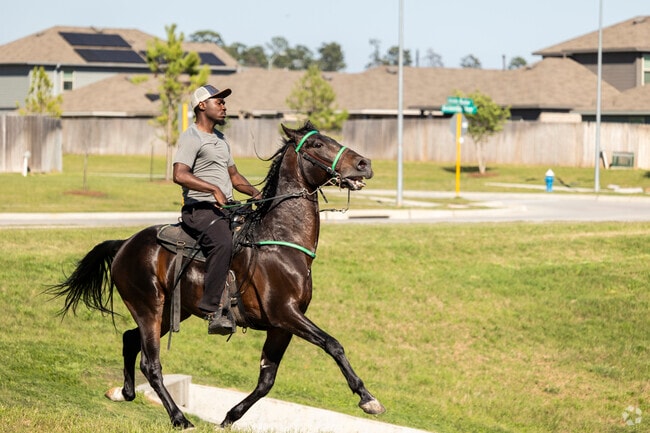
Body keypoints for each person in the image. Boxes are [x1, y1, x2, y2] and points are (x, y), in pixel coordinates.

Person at [173, 84, 261, 335]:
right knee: (223, 242)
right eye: (218, 102)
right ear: (202, 106)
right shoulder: (192, 137)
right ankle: (213, 310)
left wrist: (258, 194)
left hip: (224, 209)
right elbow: (179, 174)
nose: (224, 106)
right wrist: (213, 189)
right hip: (200, 210)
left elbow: (234, 176)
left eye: (224, 102)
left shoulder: (221, 140)